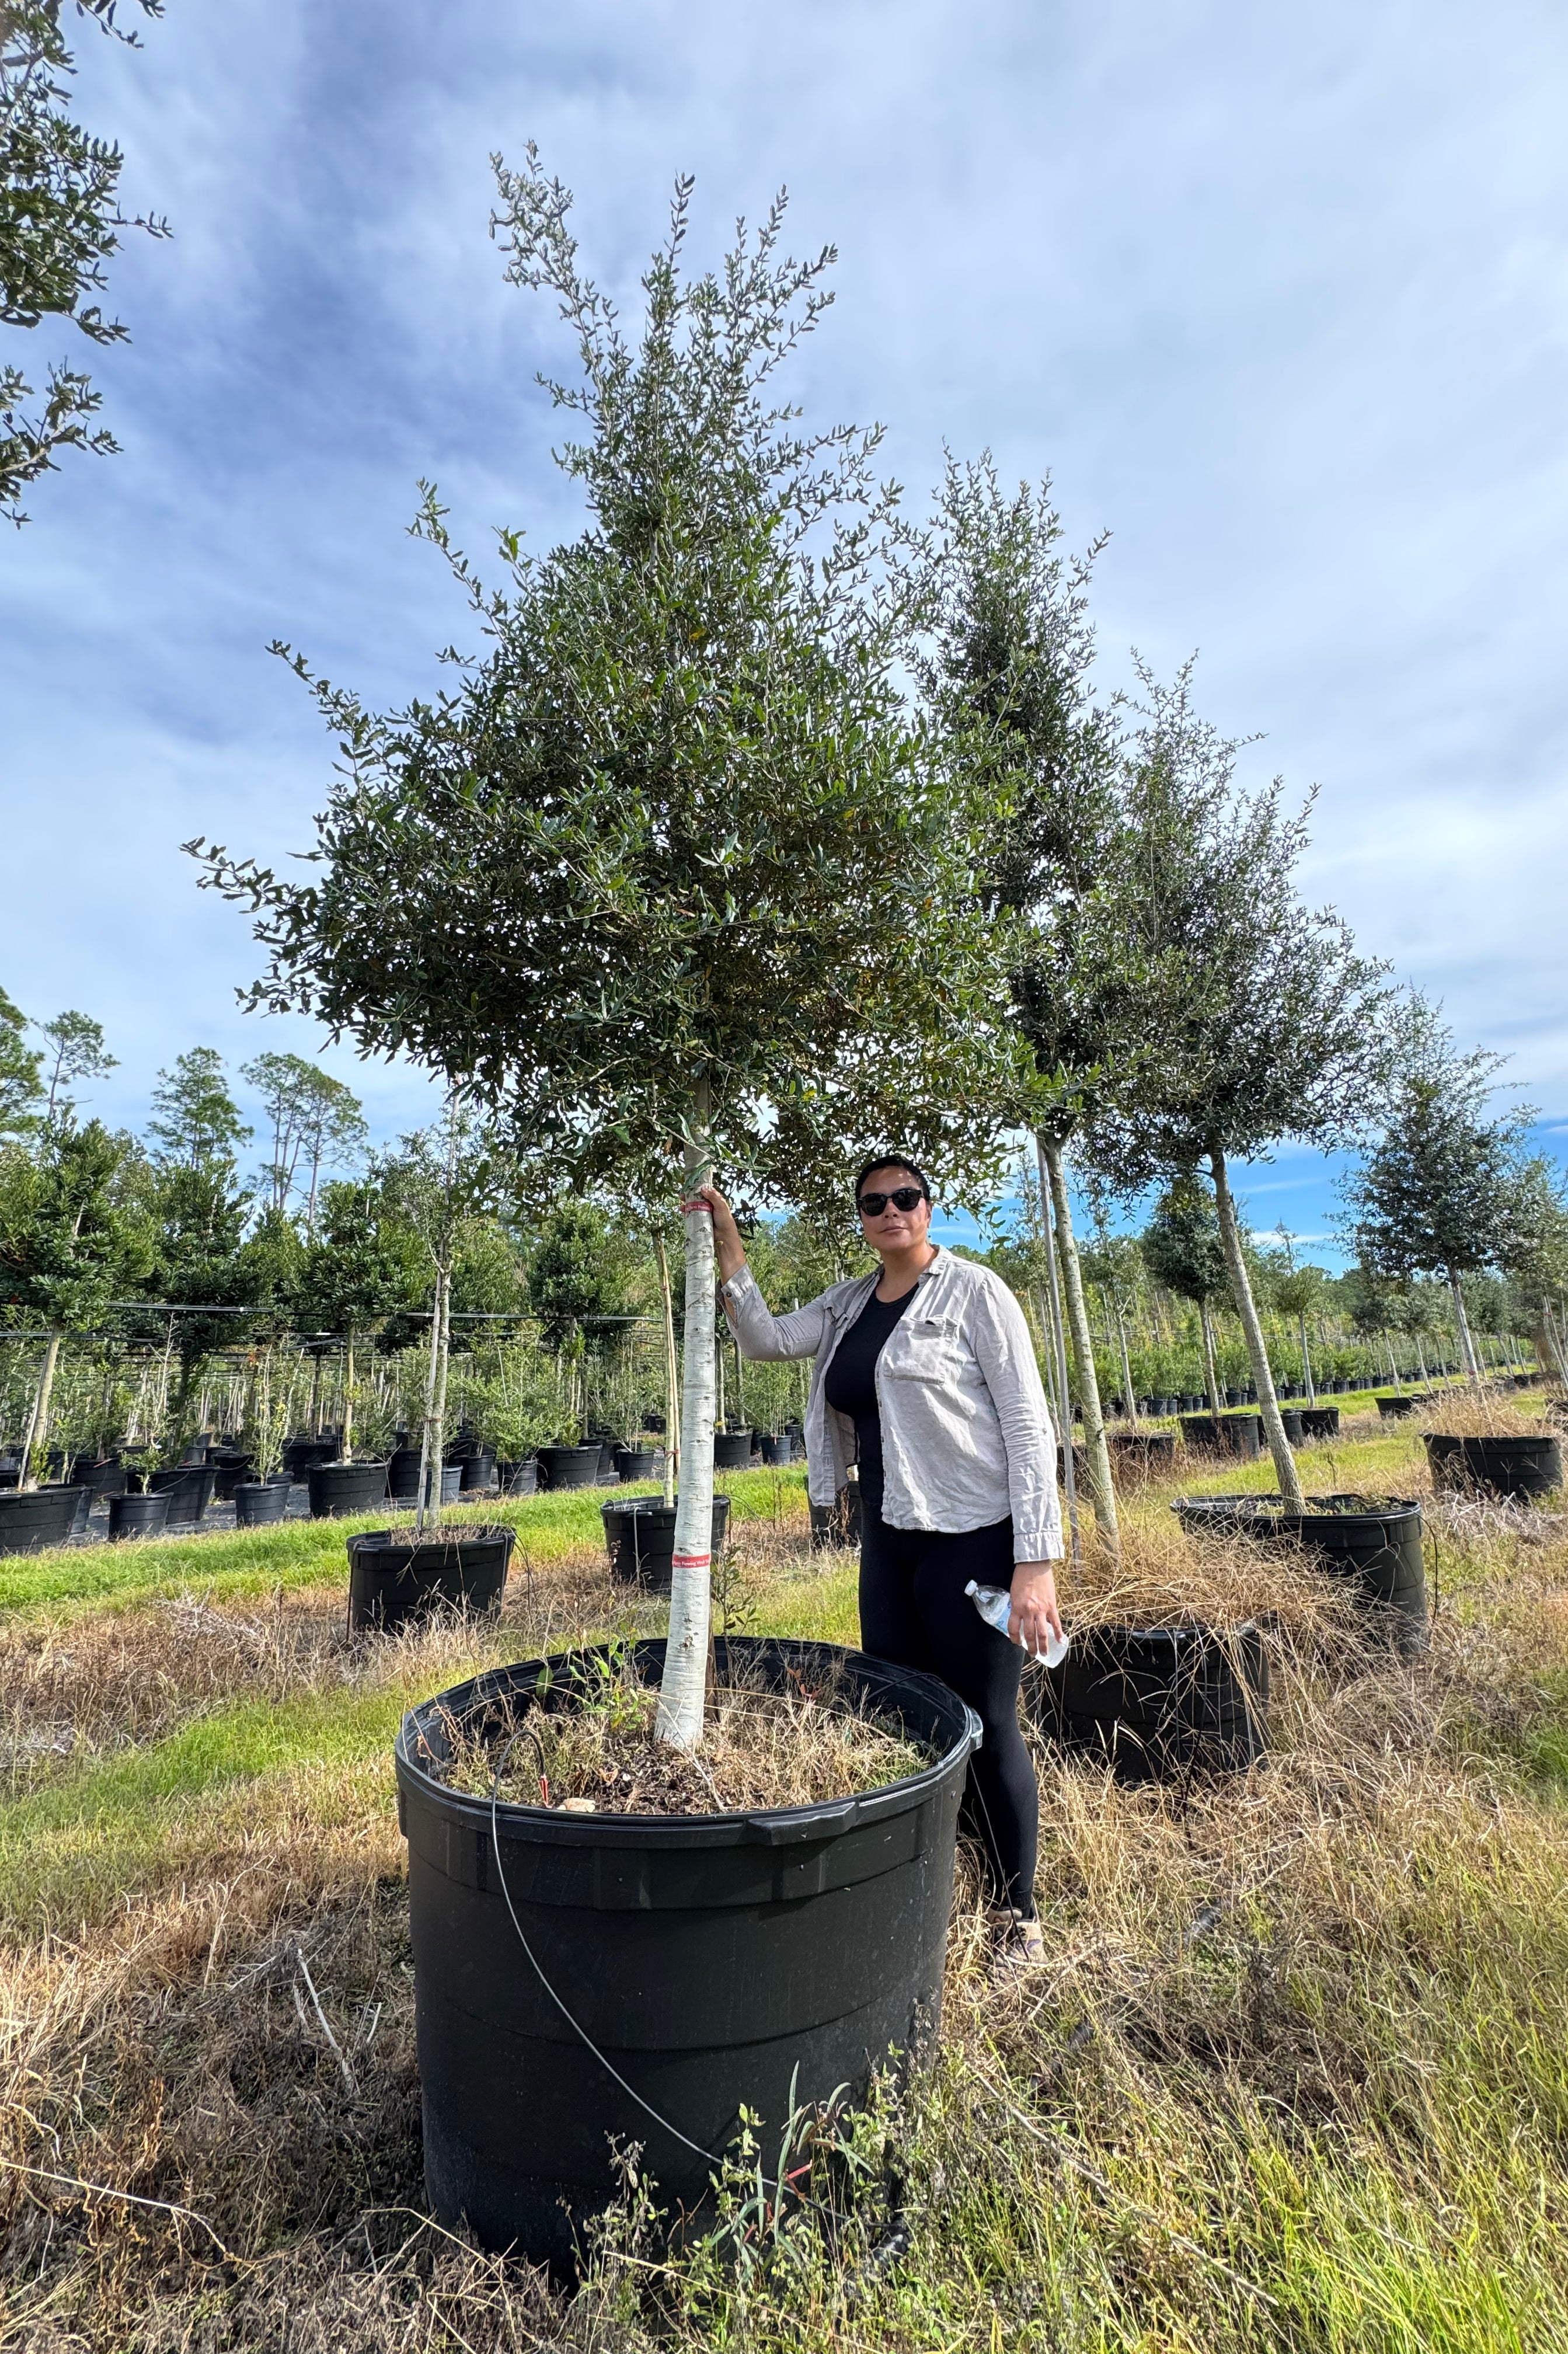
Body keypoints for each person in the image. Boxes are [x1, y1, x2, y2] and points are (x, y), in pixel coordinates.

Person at [698, 1155, 1063, 1971]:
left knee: (986, 1716)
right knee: (905, 1705)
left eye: (905, 1198)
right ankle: (940, 1868)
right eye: (874, 1203)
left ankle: (1018, 1913)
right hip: (891, 1531)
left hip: (975, 1530)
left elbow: (1028, 1427)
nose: (890, 1211)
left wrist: (1035, 1562)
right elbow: (763, 1342)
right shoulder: (849, 1302)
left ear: (928, 1208)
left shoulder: (976, 1291)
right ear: (860, 1219)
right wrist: (727, 1244)